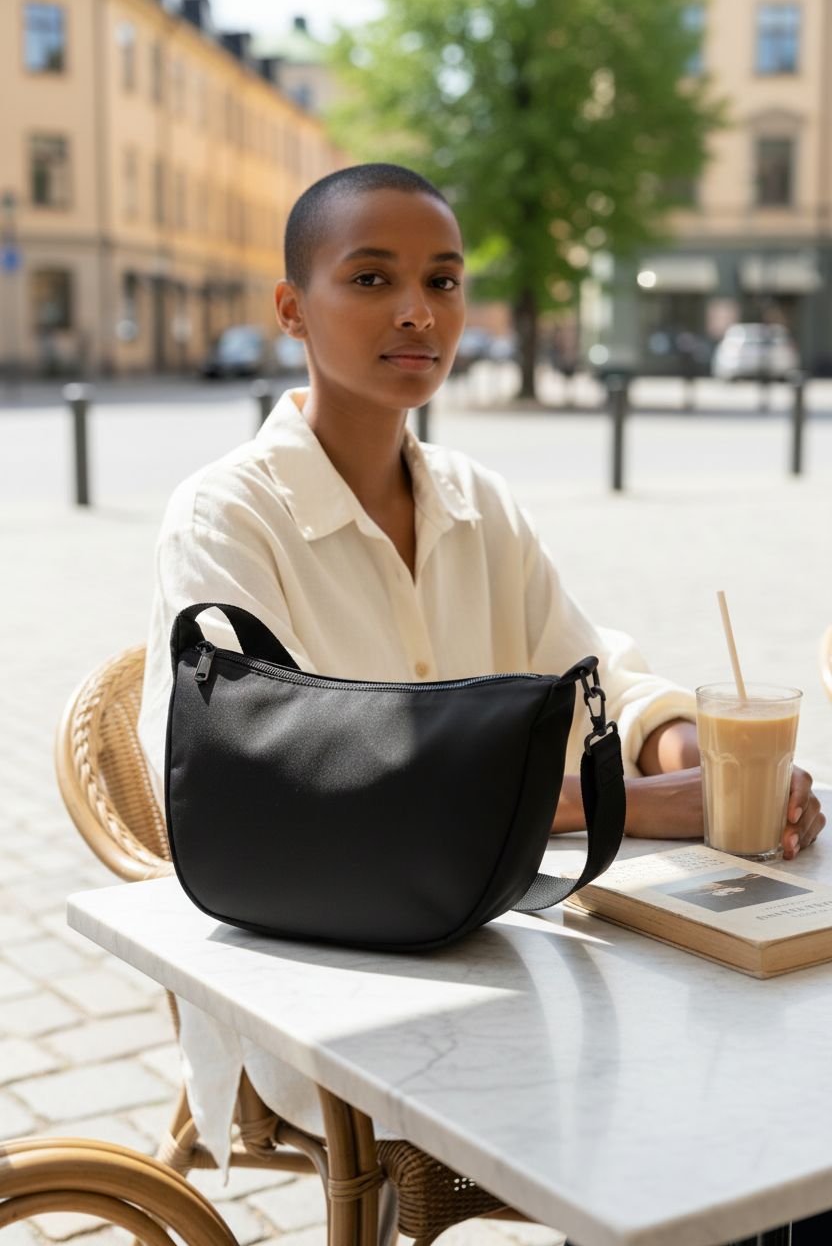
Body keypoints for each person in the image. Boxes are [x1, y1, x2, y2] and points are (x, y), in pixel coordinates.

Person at [137, 163, 824, 1171]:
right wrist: (630, 807)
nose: (418, 312)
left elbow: (597, 679)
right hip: (328, 998)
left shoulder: (475, 500)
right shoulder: (223, 520)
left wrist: (696, 761)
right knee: (700, 1126)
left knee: (781, 1095)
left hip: (511, 949)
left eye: (444, 282)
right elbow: (269, 804)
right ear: (292, 308)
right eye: (371, 279)